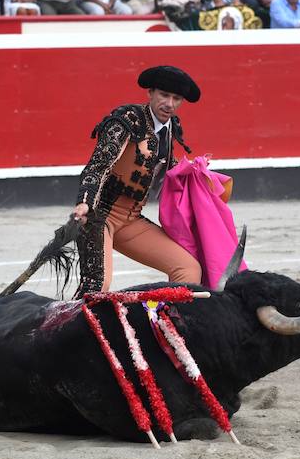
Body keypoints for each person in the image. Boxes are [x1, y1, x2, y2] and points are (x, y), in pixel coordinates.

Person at [71, 65, 202, 297]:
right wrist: (85, 202)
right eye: (164, 95)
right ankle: (70, 320)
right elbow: (98, 166)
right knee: (97, 287)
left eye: (176, 98)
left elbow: (164, 171)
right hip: (98, 217)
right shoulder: (127, 120)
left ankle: (168, 319)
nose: (170, 104)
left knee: (188, 269)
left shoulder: (171, 128)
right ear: (150, 93)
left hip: (131, 220)